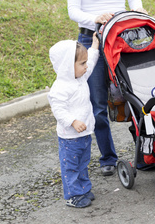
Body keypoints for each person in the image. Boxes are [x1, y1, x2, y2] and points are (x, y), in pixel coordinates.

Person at [67, 0, 147, 176]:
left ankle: (145, 150)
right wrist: (96, 18)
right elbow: (73, 11)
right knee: (98, 103)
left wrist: (138, 11)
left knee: (136, 95)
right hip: (91, 39)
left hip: (121, 36)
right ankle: (108, 158)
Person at [47, 34, 100, 208]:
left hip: (84, 134)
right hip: (69, 137)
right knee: (71, 166)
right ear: (67, 66)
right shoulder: (60, 88)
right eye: (81, 63)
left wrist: (94, 47)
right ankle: (73, 195)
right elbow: (59, 111)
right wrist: (72, 121)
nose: (86, 67)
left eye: (85, 63)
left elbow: (90, 63)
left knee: (83, 163)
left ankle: (83, 188)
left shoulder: (80, 77)